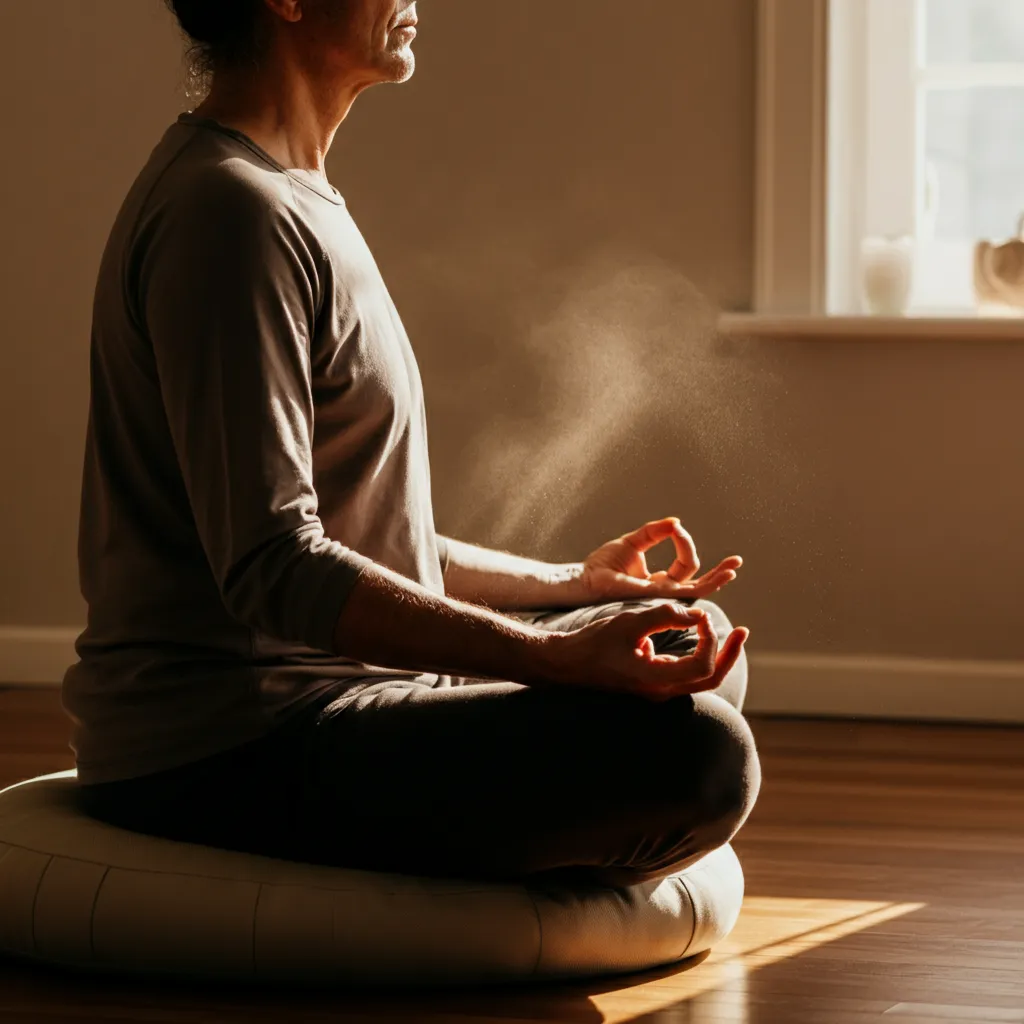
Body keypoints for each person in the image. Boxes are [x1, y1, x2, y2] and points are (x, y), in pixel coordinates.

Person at [64, 0, 760, 887]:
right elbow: (274, 564)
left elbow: (356, 534)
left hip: (342, 694)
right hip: (231, 744)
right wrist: (548, 655)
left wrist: (574, 590)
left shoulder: (294, 196)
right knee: (701, 757)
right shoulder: (227, 214)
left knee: (688, 640)